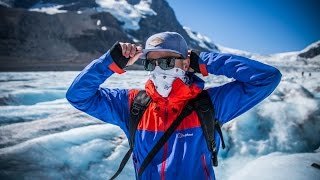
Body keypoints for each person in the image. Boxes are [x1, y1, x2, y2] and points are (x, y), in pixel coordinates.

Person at [66, 32, 281, 180]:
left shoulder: (210, 104)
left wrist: (205, 61)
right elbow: (78, 96)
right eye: (151, 63)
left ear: (186, 64)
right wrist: (109, 63)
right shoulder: (132, 105)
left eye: (167, 62)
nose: (159, 69)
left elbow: (266, 78)